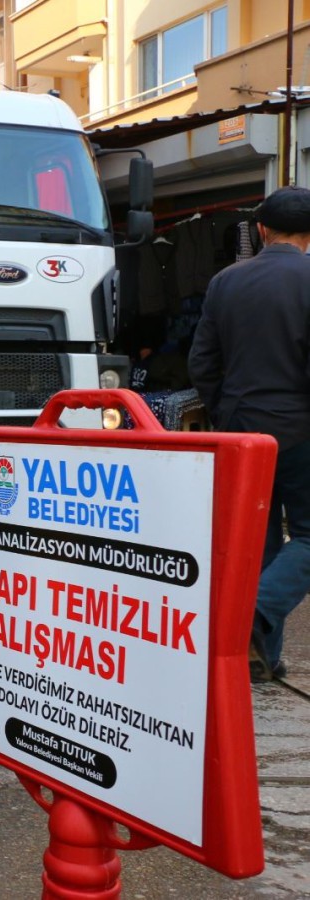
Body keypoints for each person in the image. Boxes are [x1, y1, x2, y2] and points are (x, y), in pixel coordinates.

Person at [189, 186, 310, 682]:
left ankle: (259, 659)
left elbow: (203, 362)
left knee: (257, 545)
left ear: (262, 229)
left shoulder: (226, 281)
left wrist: (226, 411)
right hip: (302, 431)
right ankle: (253, 619)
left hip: (242, 433)